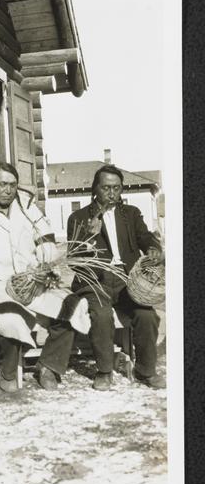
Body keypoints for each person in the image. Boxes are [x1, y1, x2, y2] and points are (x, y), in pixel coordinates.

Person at [0, 162, 87, 393]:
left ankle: (49, 366)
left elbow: (45, 238)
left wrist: (46, 260)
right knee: (10, 318)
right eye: (2, 184)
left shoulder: (26, 205)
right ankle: (8, 370)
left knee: (70, 305)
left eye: (12, 185)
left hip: (30, 279)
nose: (8, 190)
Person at [67, 164, 165, 391]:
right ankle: (104, 371)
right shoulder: (79, 217)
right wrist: (89, 237)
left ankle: (145, 370)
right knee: (101, 315)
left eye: (116, 188)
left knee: (147, 315)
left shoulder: (130, 214)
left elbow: (146, 238)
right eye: (106, 188)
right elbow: (73, 260)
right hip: (95, 281)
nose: (111, 193)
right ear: (95, 189)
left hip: (126, 279)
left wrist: (152, 248)